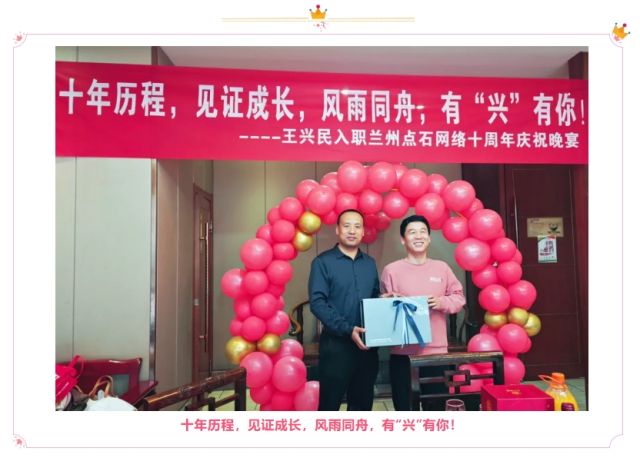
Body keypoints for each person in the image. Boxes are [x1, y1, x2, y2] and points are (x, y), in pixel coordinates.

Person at [380, 214, 465, 410]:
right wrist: (387, 300)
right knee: (404, 407)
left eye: (422, 232)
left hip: (436, 351)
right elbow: (383, 308)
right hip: (402, 351)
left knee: (435, 407)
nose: (418, 236)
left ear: (429, 238)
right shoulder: (391, 270)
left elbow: (459, 298)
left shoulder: (442, 268)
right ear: (403, 239)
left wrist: (441, 302)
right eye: (412, 232)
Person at [308, 209, 380, 411]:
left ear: (363, 232)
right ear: (337, 230)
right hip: (336, 347)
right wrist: (348, 329)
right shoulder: (322, 262)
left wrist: (385, 300)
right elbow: (317, 303)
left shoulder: (370, 264)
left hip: (367, 347)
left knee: (362, 405)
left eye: (357, 226)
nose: (352, 231)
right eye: (347, 226)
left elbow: (374, 297)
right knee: (329, 406)